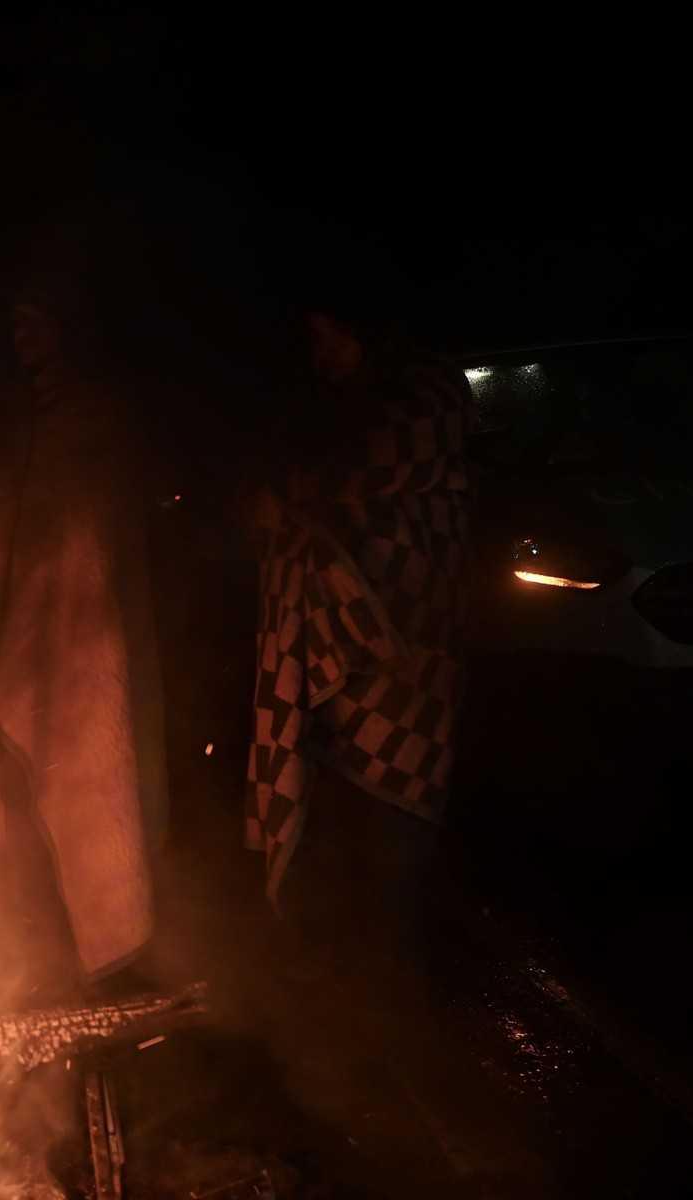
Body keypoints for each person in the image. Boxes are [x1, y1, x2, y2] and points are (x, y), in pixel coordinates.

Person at [0, 284, 170, 998]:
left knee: (73, 786)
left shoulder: (92, 421)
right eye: (15, 329)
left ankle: (102, 948)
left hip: (62, 653)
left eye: (38, 327)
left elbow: (91, 552)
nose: (26, 344)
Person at [243, 299, 474, 925]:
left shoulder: (428, 403)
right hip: (331, 681)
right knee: (334, 852)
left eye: (333, 341)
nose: (323, 359)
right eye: (312, 344)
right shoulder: (328, 417)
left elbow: (345, 471)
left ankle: (392, 994)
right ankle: (333, 987)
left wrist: (290, 493)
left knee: (388, 847)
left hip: (407, 670)